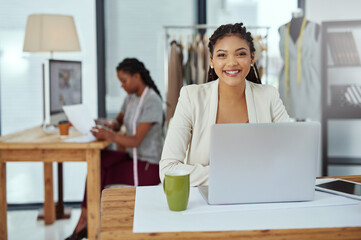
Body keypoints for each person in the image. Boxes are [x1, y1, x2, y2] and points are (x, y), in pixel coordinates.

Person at [159, 23, 290, 187]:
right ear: (211, 61)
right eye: (222, 55)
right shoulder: (191, 97)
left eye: (240, 54)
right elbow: (168, 170)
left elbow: (290, 153)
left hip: (258, 192)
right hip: (208, 199)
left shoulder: (269, 96)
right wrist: (233, 175)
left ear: (252, 58)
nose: (232, 62)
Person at [66, 58, 164, 240]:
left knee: (100, 173)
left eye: (124, 81)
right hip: (132, 157)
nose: (122, 85)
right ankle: (87, 218)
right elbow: (118, 123)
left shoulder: (152, 101)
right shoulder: (130, 99)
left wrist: (109, 136)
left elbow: (135, 141)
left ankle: (87, 221)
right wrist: (106, 124)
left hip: (148, 166)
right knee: (98, 160)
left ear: (137, 76)